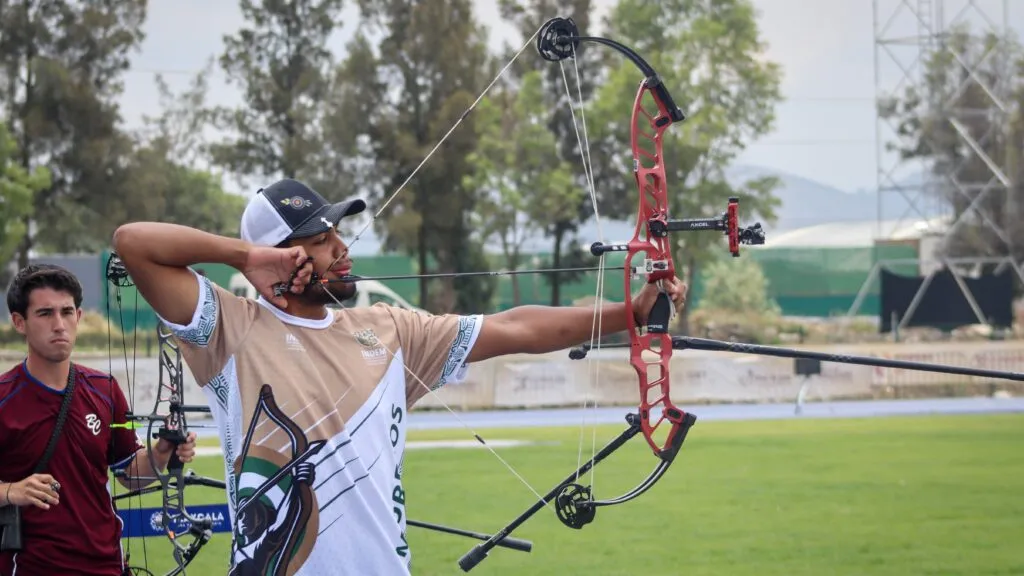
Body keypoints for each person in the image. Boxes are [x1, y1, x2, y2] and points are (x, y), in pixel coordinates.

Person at [110, 178, 688, 576]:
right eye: (321, 239)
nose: (342, 248)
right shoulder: (228, 328)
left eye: (337, 233)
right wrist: (244, 257)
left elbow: (515, 327)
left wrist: (631, 313)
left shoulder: (388, 329)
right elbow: (133, 243)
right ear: (281, 256)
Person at [0, 264, 198, 576]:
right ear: (19, 322)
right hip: (30, 566)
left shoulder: (104, 389)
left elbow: (130, 473)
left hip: (106, 565)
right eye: (45, 313)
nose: (59, 325)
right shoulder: (4, 397)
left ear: (78, 316)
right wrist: (10, 491)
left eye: (67, 312)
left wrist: (161, 452)